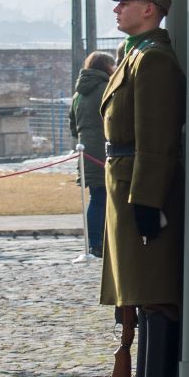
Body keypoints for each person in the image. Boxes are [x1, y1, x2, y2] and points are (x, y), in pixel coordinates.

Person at [98, 0, 186, 377]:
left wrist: (147, 197)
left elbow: (157, 136)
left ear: (148, 8)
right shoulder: (133, 55)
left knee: (156, 291)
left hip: (142, 186)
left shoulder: (153, 61)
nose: (117, 8)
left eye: (125, 1)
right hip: (125, 181)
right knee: (139, 291)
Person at [68, 51, 113, 262]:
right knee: (104, 199)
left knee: (97, 198)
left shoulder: (78, 95)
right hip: (104, 151)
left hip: (85, 151)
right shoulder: (106, 89)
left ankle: (95, 243)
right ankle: (100, 243)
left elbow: (72, 126)